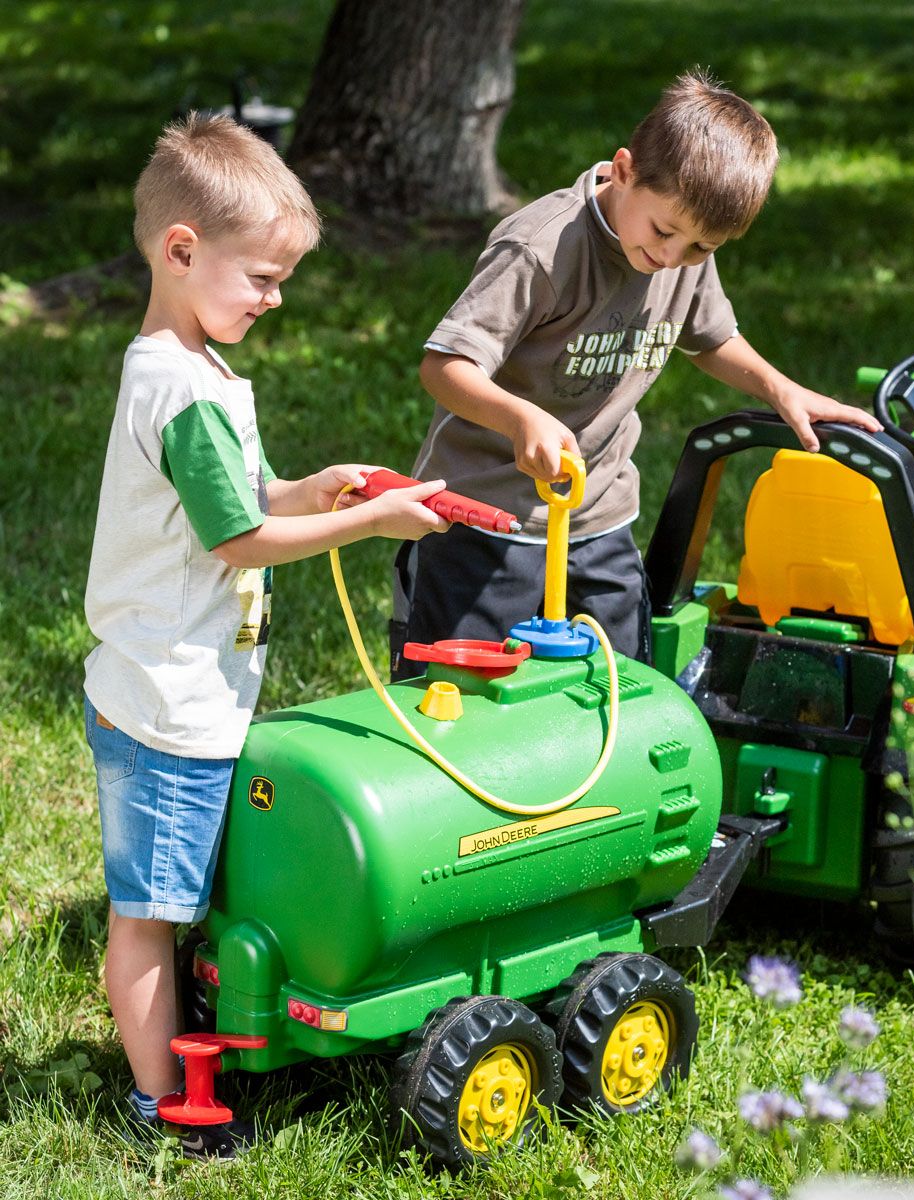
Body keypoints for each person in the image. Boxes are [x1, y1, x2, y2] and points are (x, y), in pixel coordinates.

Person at [82, 113, 448, 1158]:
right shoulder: (182, 388)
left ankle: (184, 1046)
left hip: (187, 690)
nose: (276, 297)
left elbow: (241, 501)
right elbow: (241, 541)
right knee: (150, 912)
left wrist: (315, 486)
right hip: (167, 703)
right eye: (263, 277)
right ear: (182, 249)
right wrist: (369, 522)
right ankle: (164, 1105)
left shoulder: (190, 365)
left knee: (181, 892)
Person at [392, 68, 880, 676]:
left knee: (615, 689)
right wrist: (521, 419)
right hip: (485, 520)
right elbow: (446, 366)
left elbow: (709, 338)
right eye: (665, 232)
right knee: (464, 700)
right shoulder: (541, 249)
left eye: (702, 249)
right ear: (623, 170)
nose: (672, 259)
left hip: (599, 516)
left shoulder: (680, 248)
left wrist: (782, 389)